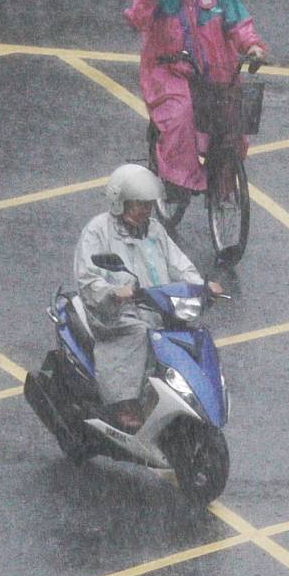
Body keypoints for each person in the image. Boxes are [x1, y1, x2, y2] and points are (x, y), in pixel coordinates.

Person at [74, 164, 222, 433]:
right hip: (115, 314)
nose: (146, 210)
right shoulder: (97, 232)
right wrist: (113, 293)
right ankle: (124, 402)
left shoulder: (154, 231)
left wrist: (202, 286)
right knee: (138, 333)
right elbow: (87, 279)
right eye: (138, 204)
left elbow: (179, 265)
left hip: (157, 306)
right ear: (120, 203)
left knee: (189, 337)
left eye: (148, 204)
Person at [124, 0, 267, 198]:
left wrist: (253, 47)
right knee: (180, 115)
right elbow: (136, 20)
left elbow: (239, 24)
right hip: (169, 71)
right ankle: (178, 180)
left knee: (232, 125)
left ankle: (223, 185)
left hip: (216, 72)